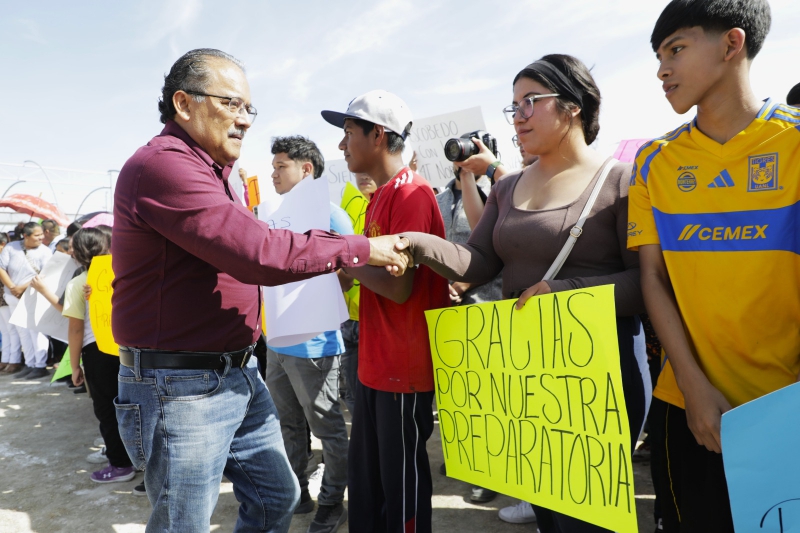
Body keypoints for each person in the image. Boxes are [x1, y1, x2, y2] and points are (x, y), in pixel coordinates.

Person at [111, 49, 410, 533]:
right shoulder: (164, 166)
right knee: (183, 522)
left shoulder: (215, 172)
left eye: (249, 107)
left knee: (276, 497)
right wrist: (363, 248)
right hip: (180, 386)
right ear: (184, 104)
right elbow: (257, 252)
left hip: (235, 371)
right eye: (231, 103)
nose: (245, 120)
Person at [396, 55, 649, 532]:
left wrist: (564, 291)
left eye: (531, 101)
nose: (517, 116)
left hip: (599, 373)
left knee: (588, 518)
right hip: (528, 370)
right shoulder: (507, 187)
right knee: (548, 513)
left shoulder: (622, 181)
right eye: (513, 105)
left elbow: (645, 283)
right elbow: (479, 261)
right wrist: (416, 244)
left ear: (574, 105)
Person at [629, 1, 797, 530]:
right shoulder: (653, 162)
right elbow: (653, 278)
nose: (662, 70)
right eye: (658, 57)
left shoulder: (794, 142)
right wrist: (692, 384)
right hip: (686, 407)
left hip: (785, 407)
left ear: (732, 44)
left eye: (676, 49)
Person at [321, 90, 449, 533]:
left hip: (403, 369)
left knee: (401, 493)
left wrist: (344, 255)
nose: (342, 144)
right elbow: (368, 270)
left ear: (378, 135)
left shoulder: (411, 193)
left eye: (348, 132)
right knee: (370, 486)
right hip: (376, 365)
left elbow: (398, 286)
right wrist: (348, 264)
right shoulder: (379, 196)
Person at [265, 135, 351, 533]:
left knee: (327, 429)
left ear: (306, 169)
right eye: (273, 166)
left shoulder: (331, 216)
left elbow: (350, 275)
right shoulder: (273, 216)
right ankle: (298, 492)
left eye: (281, 166)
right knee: (286, 424)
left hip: (315, 344)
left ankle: (332, 502)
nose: (273, 174)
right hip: (277, 342)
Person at [31, 227, 136, 483]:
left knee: (107, 409)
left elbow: (76, 329)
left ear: (77, 254)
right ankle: (136, 459)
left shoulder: (79, 283)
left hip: (97, 353)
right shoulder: (126, 275)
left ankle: (120, 465)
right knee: (133, 407)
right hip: (129, 350)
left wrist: (74, 365)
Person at [0, 222, 53, 379]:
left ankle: (40, 365)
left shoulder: (45, 251)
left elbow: (45, 274)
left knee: (36, 331)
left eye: (41, 234)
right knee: (23, 332)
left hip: (33, 295)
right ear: (25, 235)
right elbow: (1, 268)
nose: (41, 237)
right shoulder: (11, 247)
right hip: (12, 296)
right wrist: (12, 287)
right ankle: (30, 364)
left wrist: (21, 288)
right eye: (37, 235)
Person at [0, 232, 22, 375]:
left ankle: (14, 360)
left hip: (8, 297)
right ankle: (6, 359)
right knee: (5, 331)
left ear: (3, 244)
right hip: (3, 299)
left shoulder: (8, 257)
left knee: (13, 330)